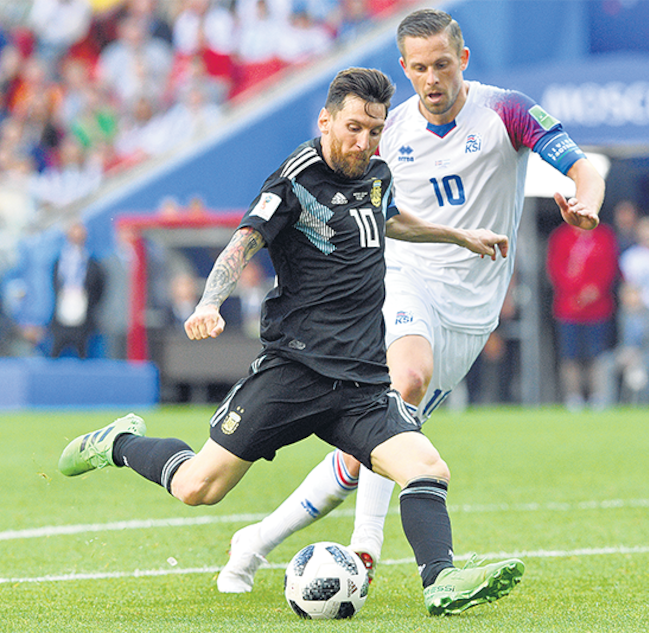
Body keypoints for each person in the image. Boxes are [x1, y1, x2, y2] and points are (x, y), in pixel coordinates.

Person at [57, 67, 524, 616]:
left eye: (374, 130)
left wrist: (458, 234)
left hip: (361, 383)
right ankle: (117, 443)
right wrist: (210, 302)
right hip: (294, 373)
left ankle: (441, 581)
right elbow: (242, 244)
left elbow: (390, 219)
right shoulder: (296, 178)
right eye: (353, 127)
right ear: (325, 120)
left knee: (427, 467)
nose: (364, 141)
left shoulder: (376, 172)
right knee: (198, 488)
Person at [217, 8, 604, 594]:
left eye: (442, 65)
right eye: (420, 68)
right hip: (406, 279)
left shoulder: (506, 111)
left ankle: (256, 541)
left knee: (375, 447)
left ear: (463, 60)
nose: (432, 79)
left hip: (473, 309)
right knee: (408, 381)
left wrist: (586, 202)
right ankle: (365, 549)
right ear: (405, 67)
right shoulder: (386, 130)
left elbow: (581, 167)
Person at [546, 219, 619, 410]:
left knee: (597, 354)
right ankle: (573, 397)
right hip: (568, 307)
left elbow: (609, 266)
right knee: (570, 355)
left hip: (598, 307)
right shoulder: (561, 236)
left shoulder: (604, 235)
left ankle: (598, 396)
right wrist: (575, 291)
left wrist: (595, 289)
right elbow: (555, 268)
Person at [49, 221, 106, 358]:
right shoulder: (59, 261)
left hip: (83, 317)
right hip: (62, 314)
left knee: (83, 352)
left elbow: (99, 289)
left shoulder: (92, 263)